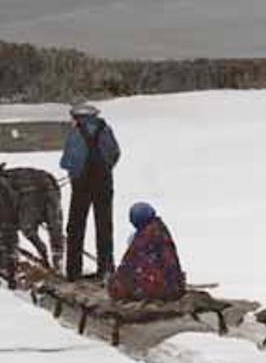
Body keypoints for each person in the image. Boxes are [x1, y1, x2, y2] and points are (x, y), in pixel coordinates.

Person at [60, 102, 120, 281]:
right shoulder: (105, 129)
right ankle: (106, 268)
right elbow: (115, 153)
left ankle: (73, 271)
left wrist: (74, 171)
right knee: (104, 226)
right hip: (104, 183)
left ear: (78, 117)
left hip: (82, 185)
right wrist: (105, 168)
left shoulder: (75, 133)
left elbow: (68, 160)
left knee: (76, 226)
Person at [107, 202, 186, 302]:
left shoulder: (143, 239)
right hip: (173, 286)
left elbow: (128, 264)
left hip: (157, 286)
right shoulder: (161, 231)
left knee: (117, 285)